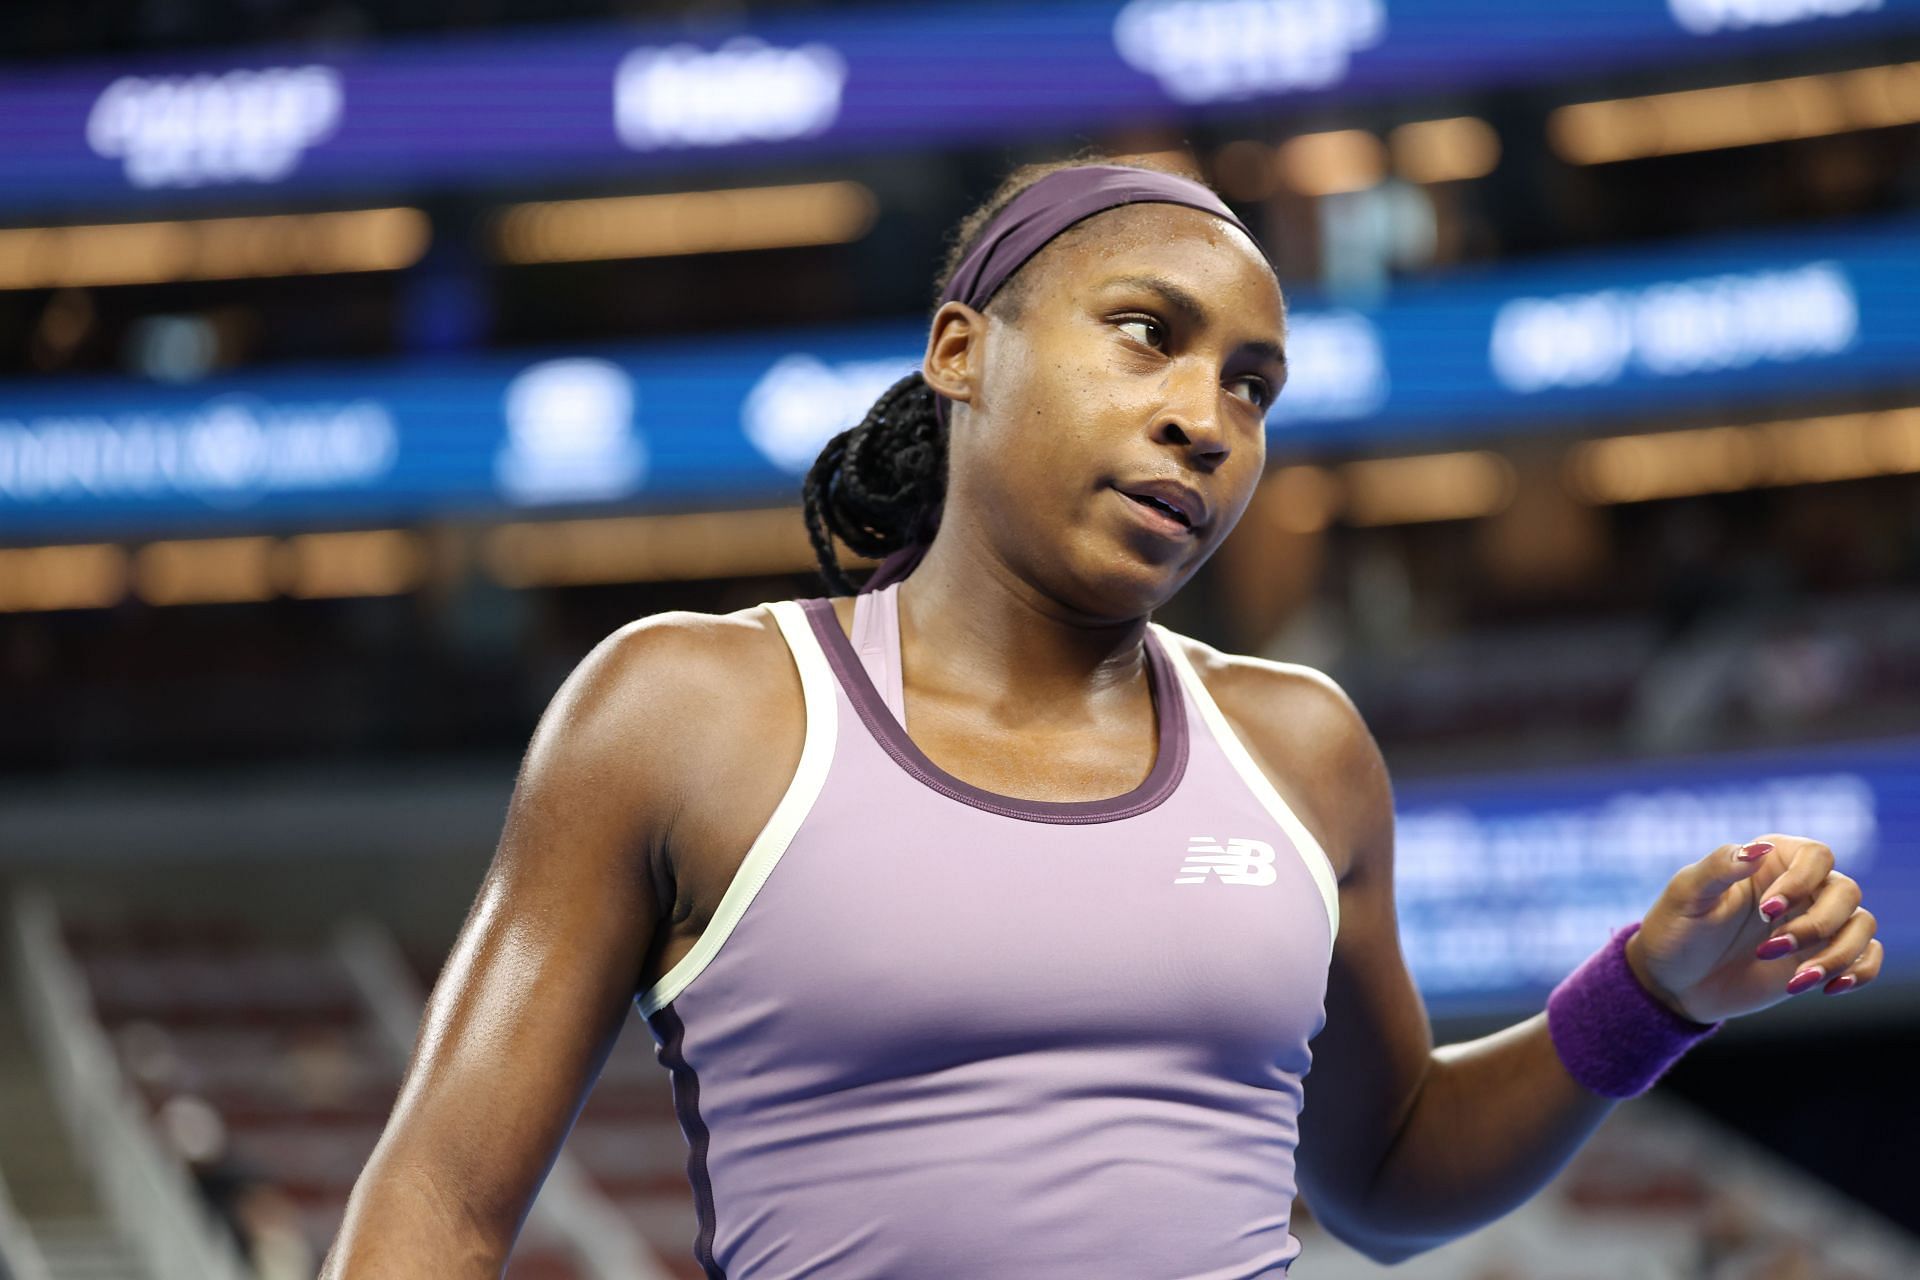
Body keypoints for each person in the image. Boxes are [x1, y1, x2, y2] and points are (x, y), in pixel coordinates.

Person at [320, 157, 1885, 1278]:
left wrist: (1654, 996)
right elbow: (438, 1213)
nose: (1206, 419)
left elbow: (1390, 1185)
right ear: (961, 351)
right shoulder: (687, 709)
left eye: (1256, 386)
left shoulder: (1302, 748)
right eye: (1149, 333)